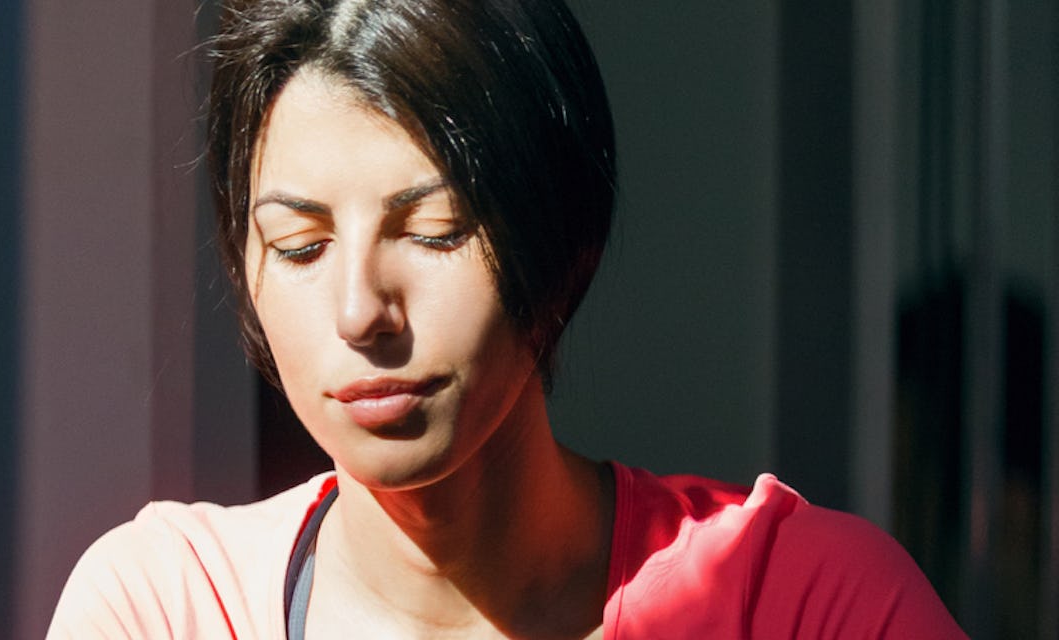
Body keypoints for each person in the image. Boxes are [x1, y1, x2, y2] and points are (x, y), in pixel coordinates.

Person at [48, 0, 963, 637]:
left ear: (566, 253)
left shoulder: (801, 604)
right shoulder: (165, 608)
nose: (362, 310)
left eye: (435, 230)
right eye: (299, 246)